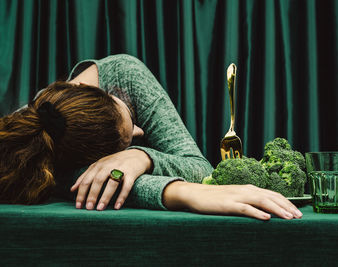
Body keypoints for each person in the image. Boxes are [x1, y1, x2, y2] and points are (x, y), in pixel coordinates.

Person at [0, 54, 302, 220]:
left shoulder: (125, 77)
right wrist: (182, 194)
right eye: (131, 139)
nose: (140, 132)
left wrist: (139, 156)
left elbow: (201, 168)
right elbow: (83, 184)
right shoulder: (43, 138)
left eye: (130, 119)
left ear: (104, 93)